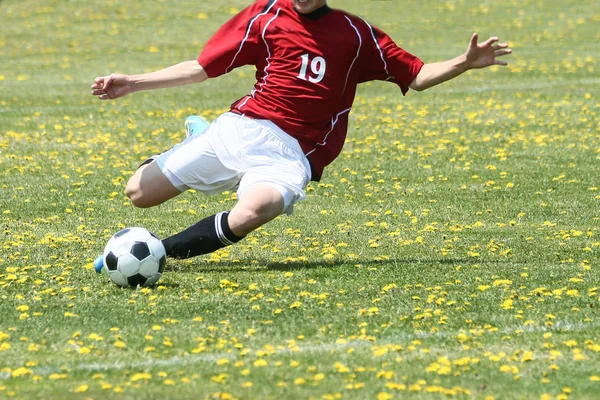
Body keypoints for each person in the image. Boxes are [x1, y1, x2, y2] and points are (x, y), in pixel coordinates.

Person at [91, 0, 511, 271]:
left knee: (256, 210)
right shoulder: (266, 15)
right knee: (138, 193)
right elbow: (204, 67)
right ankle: (195, 138)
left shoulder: (357, 34)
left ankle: (158, 254)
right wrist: (133, 82)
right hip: (241, 129)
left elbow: (417, 76)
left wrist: (464, 61)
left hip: (291, 154)